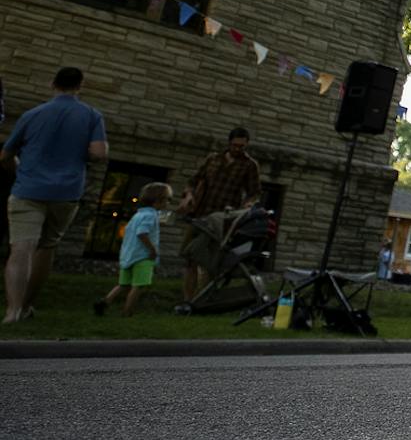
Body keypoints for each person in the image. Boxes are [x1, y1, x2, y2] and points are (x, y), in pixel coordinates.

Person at [1, 67, 108, 323]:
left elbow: (5, 155)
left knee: (21, 249)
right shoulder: (91, 116)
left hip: (28, 189)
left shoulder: (32, 114)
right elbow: (99, 153)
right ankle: (27, 306)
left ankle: (12, 310)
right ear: (80, 86)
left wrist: (18, 169)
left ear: (53, 84)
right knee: (46, 247)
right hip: (66, 192)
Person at [177, 126, 261, 303]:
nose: (238, 149)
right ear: (229, 143)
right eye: (235, 145)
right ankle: (187, 300)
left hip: (222, 221)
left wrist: (246, 207)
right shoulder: (213, 159)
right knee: (190, 258)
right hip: (199, 215)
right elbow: (193, 181)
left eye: (242, 146)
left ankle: (201, 301)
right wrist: (188, 196)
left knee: (209, 263)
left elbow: (254, 193)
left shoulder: (249, 165)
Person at [93, 181, 169, 317]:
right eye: (167, 199)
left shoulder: (137, 215)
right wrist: (152, 250)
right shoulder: (151, 216)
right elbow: (142, 233)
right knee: (138, 286)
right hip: (143, 256)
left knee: (123, 284)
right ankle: (127, 312)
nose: (168, 203)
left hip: (128, 255)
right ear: (158, 200)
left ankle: (104, 302)